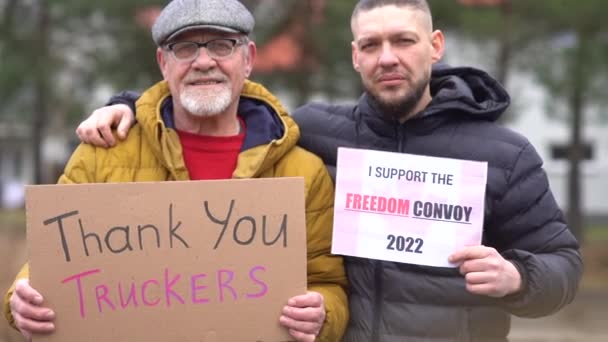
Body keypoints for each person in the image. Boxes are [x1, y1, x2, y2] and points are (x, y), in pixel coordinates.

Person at [64, 0, 584, 340]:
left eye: (403, 40)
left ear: (435, 46)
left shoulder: (505, 153)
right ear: (354, 56)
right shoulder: (316, 134)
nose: (388, 58)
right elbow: (219, 103)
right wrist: (127, 105)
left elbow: (562, 264)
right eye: (371, 45)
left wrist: (518, 277)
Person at [3, 0, 349, 341]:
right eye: (184, 48)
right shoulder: (102, 154)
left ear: (248, 59)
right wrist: (22, 298)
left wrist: (323, 314)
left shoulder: (303, 171)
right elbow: (51, 260)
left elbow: (328, 282)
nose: (203, 61)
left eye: (221, 45)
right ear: (163, 63)